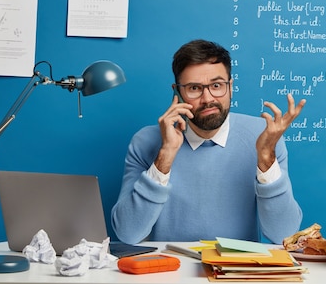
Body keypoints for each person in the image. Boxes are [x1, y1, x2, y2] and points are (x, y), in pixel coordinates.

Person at [111, 39, 306, 244]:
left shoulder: (263, 136)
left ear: (230, 87)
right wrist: (165, 155)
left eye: (216, 85)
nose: (207, 99)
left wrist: (266, 158)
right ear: (177, 92)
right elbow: (128, 234)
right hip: (169, 271)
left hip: (236, 271)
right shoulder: (146, 142)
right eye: (194, 88)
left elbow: (283, 234)